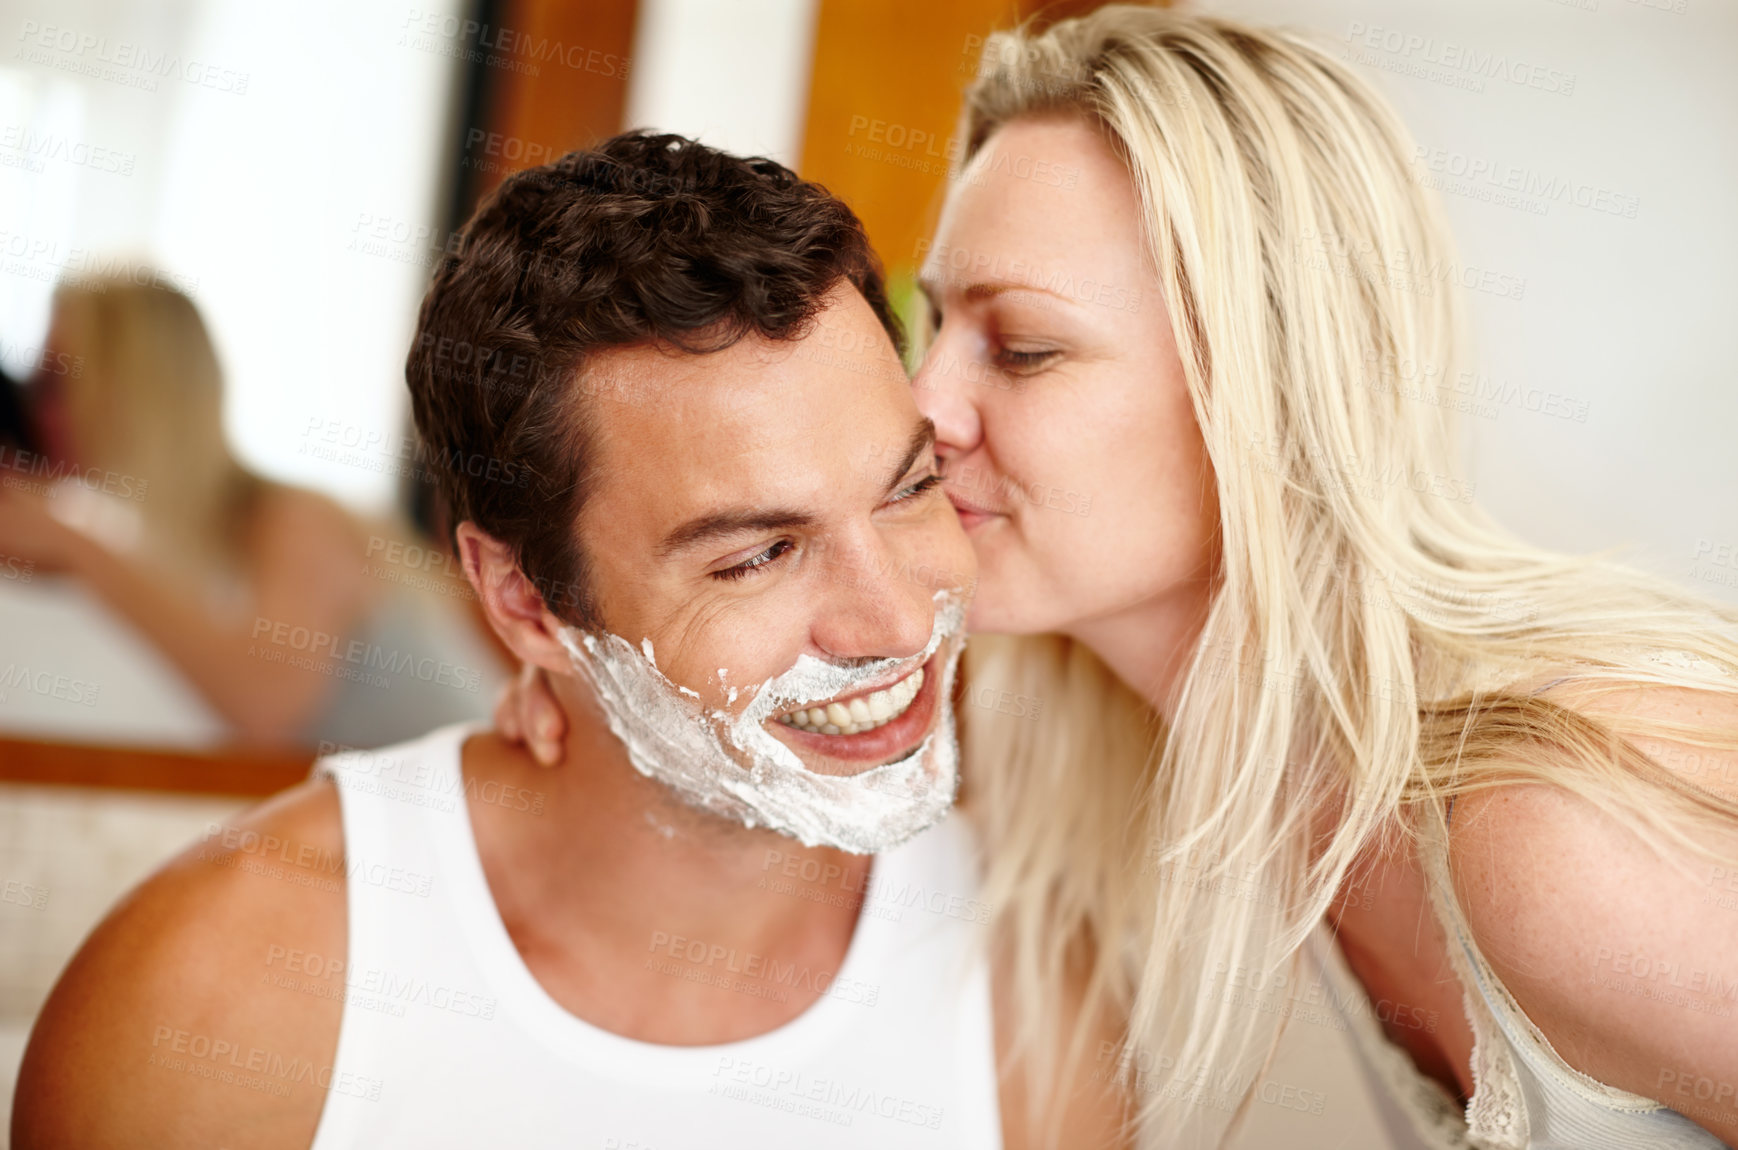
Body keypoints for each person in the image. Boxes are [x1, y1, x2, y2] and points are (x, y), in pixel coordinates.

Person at [494, 8, 1738, 1148]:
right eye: (928, 332)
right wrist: (600, 677)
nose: (918, 414)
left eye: (1022, 349)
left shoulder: (1551, 835)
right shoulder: (1176, 768)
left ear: (1267, 392)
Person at [13, 133, 1127, 1149]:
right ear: (527, 604)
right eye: (756, 557)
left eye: (911, 489)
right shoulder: (216, 996)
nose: (895, 623)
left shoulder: (1041, 999)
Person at [0, 276, 502, 747]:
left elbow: (265, 708)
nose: (35, 409)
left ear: (126, 392)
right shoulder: (168, 548)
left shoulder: (293, 521)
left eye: (54, 380)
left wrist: (78, 550)